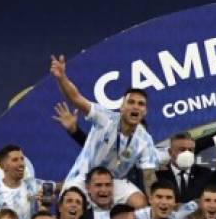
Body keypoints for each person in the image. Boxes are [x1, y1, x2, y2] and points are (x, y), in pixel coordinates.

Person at [51, 55, 155, 199]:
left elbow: (149, 176)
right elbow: (76, 98)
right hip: (83, 176)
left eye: (141, 104)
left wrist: (155, 203)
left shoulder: (145, 140)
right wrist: (61, 77)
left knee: (139, 201)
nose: (135, 107)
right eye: (131, 102)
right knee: (71, 201)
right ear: (121, 107)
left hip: (113, 183)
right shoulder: (105, 118)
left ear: (145, 112)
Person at [156, 132, 213, 203]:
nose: (187, 154)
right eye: (182, 150)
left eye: (190, 150)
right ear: (170, 152)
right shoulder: (158, 176)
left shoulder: (205, 174)